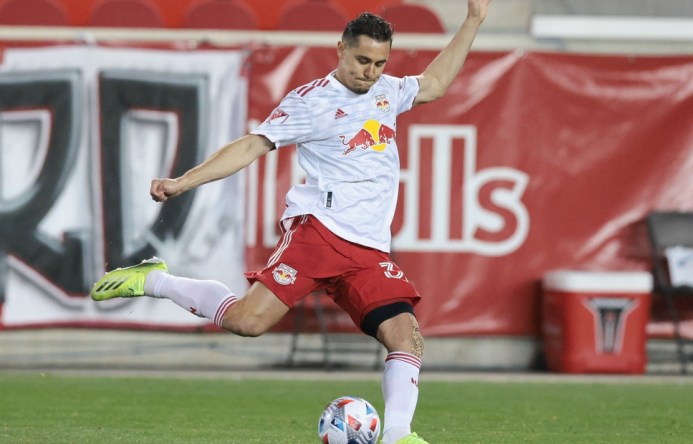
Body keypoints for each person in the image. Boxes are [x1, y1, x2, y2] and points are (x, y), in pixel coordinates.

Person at [91, 2, 490, 443]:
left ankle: (398, 436)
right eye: (362, 61)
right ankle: (155, 281)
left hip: (369, 249)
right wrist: (184, 182)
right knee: (248, 322)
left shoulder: (388, 91)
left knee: (406, 337)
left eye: (379, 63)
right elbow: (250, 146)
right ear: (340, 49)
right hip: (319, 232)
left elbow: (433, 84)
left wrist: (473, 20)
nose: (370, 72)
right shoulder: (310, 102)